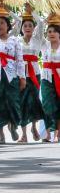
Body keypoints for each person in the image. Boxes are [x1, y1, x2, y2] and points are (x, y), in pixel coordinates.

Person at [0, 5, 26, 142]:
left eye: (3, 23)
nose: (0, 25)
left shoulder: (14, 40)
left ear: (7, 25)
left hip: (11, 75)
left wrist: (22, 77)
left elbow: (20, 59)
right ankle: (1, 135)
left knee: (13, 102)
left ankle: (13, 126)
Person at [18, 9, 44, 142]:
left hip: (35, 74)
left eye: (30, 26)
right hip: (21, 75)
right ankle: (23, 134)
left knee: (33, 101)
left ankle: (34, 126)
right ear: (21, 28)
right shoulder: (17, 41)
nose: (28, 28)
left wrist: (32, 11)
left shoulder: (38, 39)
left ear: (34, 28)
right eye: (25, 26)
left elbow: (41, 22)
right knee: (22, 102)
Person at [40, 13, 60, 142]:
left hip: (59, 77)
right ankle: (48, 133)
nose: (51, 34)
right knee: (47, 104)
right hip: (46, 78)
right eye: (49, 32)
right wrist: (46, 20)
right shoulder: (44, 45)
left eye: (54, 31)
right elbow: (37, 32)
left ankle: (58, 133)